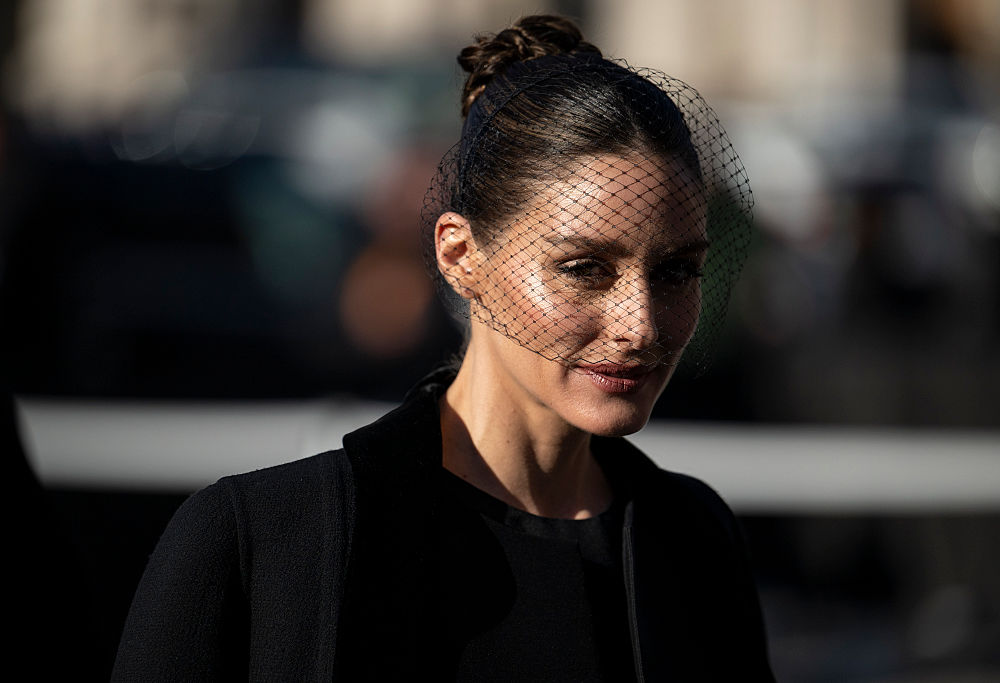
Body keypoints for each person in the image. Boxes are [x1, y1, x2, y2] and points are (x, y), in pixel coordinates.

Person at [113, 15, 774, 682]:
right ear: (461, 255)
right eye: (584, 268)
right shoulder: (261, 543)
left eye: (675, 271)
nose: (641, 324)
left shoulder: (692, 542)